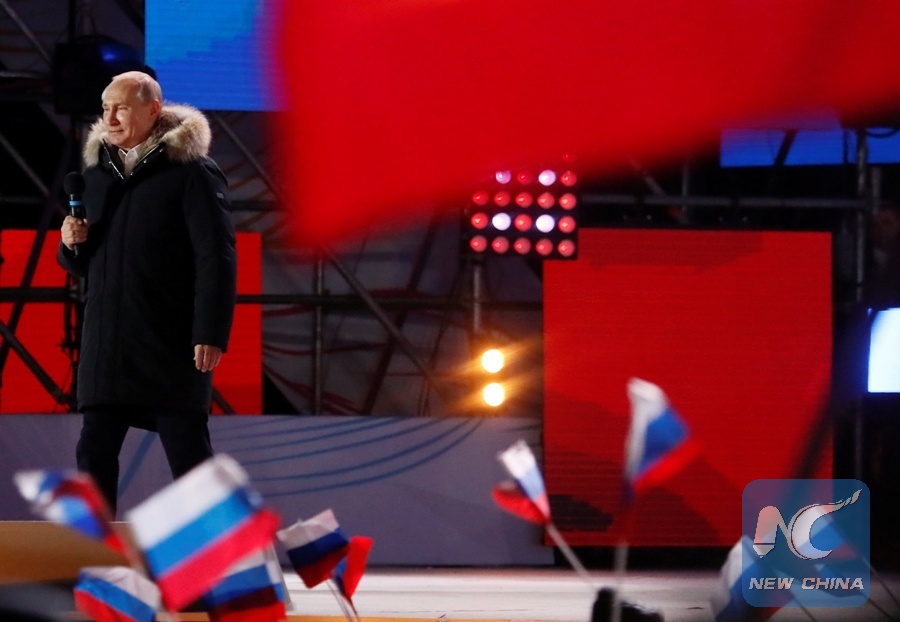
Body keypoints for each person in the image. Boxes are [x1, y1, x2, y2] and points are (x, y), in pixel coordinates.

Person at [58, 71, 237, 513]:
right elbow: (85, 265)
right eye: (105, 108)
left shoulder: (192, 172)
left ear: (153, 108)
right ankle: (93, 547)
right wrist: (69, 244)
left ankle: (217, 546)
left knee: (189, 455)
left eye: (121, 107)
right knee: (93, 449)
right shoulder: (97, 177)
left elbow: (216, 256)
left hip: (168, 344)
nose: (109, 118)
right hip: (107, 344)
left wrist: (210, 331)